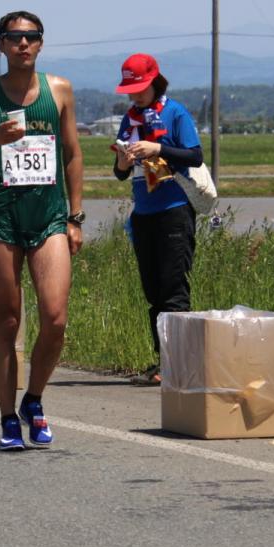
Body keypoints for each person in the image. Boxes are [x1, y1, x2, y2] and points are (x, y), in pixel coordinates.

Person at [0, 11, 84, 450]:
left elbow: (71, 155)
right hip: (2, 218)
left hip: (48, 216)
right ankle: (8, 417)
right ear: (1, 45)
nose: (22, 44)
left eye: (31, 37)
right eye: (14, 38)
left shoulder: (59, 90)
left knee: (55, 317)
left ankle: (35, 399)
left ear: (41, 44)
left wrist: (76, 216)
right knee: (7, 321)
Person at [111, 54, 205, 385]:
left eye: (139, 88)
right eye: (130, 90)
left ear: (155, 82)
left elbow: (195, 156)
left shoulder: (175, 112)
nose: (134, 96)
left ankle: (179, 365)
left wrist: (157, 149)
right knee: (153, 291)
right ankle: (162, 361)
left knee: (173, 290)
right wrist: (124, 160)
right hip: (144, 214)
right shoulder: (131, 119)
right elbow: (120, 175)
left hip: (174, 211)